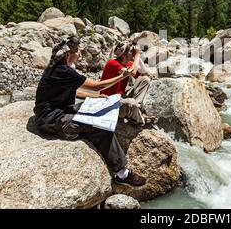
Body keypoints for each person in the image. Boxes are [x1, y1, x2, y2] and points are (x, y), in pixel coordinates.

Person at [33, 36, 146, 187]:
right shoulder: (63, 71)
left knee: (98, 105)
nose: (79, 54)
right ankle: (122, 174)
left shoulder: (57, 69)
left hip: (60, 110)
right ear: (68, 55)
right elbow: (96, 86)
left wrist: (97, 97)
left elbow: (77, 92)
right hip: (52, 119)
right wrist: (121, 77)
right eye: (77, 51)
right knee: (101, 127)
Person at [100, 41, 154, 126]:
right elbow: (132, 73)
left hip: (121, 96)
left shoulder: (128, 64)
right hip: (109, 101)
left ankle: (137, 109)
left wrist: (137, 57)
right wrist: (137, 55)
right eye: (130, 51)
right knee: (131, 103)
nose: (132, 53)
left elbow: (145, 73)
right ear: (124, 55)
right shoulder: (112, 63)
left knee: (145, 80)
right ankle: (141, 120)